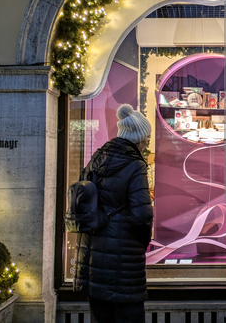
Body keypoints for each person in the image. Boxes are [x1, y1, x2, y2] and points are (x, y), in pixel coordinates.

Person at [74, 104, 153, 323]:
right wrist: (141, 243)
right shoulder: (135, 165)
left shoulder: (97, 158)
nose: (147, 145)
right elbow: (142, 216)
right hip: (123, 264)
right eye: (147, 139)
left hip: (93, 257)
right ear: (138, 139)